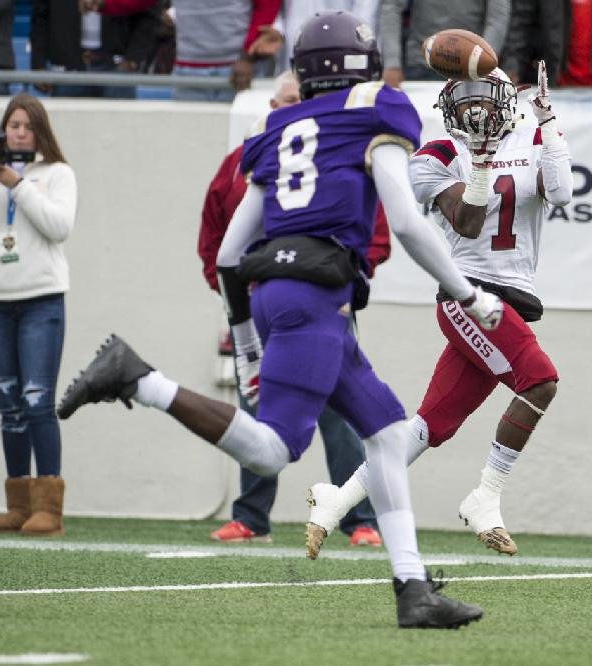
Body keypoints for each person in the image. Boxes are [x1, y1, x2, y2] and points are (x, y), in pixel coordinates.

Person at [57, 10, 500, 629]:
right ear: (361, 66)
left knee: (390, 435)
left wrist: (244, 341)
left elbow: (229, 254)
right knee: (272, 451)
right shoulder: (378, 108)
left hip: (282, 295)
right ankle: (137, 379)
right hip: (314, 298)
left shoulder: (279, 124)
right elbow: (402, 221)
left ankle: (413, 589)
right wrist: (468, 293)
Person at [304, 62, 573, 560]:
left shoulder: (532, 139)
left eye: (482, 93)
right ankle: (486, 496)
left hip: (509, 298)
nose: (475, 105)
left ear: (503, 98)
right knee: (540, 379)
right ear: (448, 103)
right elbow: (468, 225)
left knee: (431, 425)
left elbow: (560, 193)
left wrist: (548, 120)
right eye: (463, 94)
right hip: (468, 296)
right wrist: (483, 161)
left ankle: (336, 499)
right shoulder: (435, 156)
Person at [198, 70, 382, 547]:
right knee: (254, 405)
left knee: (340, 409)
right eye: (281, 102)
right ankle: (252, 516)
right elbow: (214, 235)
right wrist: (234, 294)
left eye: (296, 101)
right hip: (260, 305)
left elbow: (375, 229)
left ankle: (359, 517)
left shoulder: (341, 155)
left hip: (324, 297)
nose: (287, 110)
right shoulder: (241, 162)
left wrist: (348, 278)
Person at [0, 93, 77, 537]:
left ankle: (49, 509)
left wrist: (16, 183)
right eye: (12, 125)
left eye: (26, 125)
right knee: (9, 405)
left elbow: (58, 226)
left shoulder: (57, 174)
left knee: (37, 400)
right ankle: (18, 505)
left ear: (40, 131)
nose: (18, 132)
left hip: (41, 299)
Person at [30, 0, 161, 99]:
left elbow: (149, 13)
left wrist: (132, 59)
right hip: (68, 68)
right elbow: (40, 16)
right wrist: (38, 64)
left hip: (118, 68)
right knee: (65, 133)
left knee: (120, 131)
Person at [377, 0, 510, 88]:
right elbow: (391, 7)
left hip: (471, 69)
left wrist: (484, 64)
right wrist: (392, 64)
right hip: (421, 65)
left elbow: (497, 17)